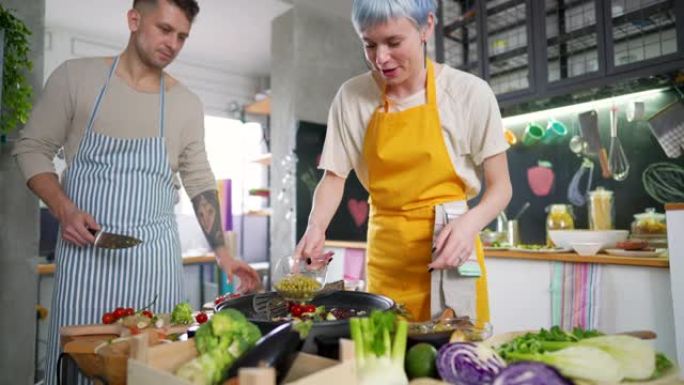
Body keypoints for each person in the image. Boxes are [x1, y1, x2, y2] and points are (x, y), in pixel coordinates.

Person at [13, 0, 260, 383]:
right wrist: (63, 209)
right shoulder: (76, 78)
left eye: (182, 36)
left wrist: (225, 256)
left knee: (154, 372)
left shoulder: (185, 104)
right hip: (86, 262)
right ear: (133, 19)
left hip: (155, 269)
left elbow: (199, 180)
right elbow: (31, 148)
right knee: (79, 370)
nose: (173, 44)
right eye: (165, 29)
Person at [294, 0, 512, 322]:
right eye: (369, 44)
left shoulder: (469, 94)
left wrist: (470, 223)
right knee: (388, 356)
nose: (381, 58)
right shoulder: (352, 97)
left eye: (394, 42)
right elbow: (334, 176)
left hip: (451, 246)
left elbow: (501, 188)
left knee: (455, 350)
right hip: (387, 254)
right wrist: (316, 227)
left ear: (426, 27)